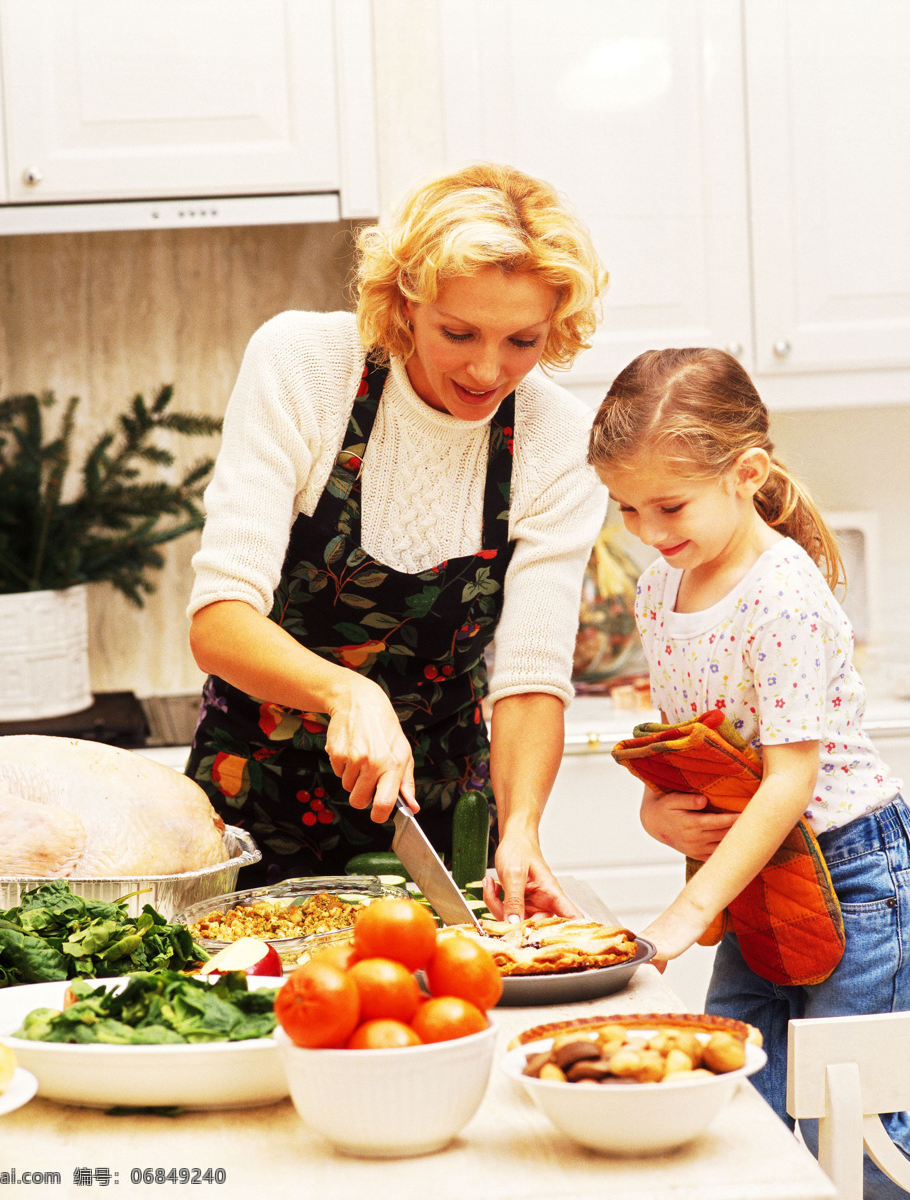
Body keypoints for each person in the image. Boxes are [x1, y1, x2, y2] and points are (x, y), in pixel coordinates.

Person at [587, 348, 910, 1196]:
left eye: (669, 505)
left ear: (748, 474)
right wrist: (657, 815)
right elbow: (693, 749)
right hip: (762, 881)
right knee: (740, 1107)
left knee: (852, 1124)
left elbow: (788, 781)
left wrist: (685, 910)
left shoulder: (784, 594)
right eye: (626, 508)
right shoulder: (661, 592)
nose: (649, 532)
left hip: (859, 874)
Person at [185, 162, 608, 918]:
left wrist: (523, 832)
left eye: (522, 340)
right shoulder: (306, 366)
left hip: (438, 823)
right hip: (250, 806)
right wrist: (347, 692)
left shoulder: (559, 441)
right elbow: (219, 621)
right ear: (405, 301)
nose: (488, 369)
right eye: (458, 332)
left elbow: (530, 678)